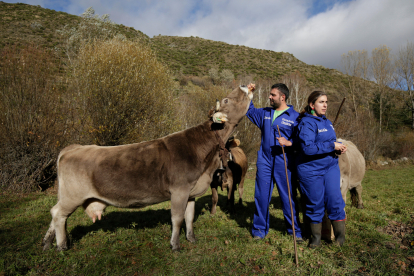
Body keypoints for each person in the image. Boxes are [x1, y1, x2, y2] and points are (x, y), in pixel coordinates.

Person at [246, 83, 303, 241]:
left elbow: (302, 140)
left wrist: (290, 143)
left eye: (273, 95)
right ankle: (259, 230)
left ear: (282, 97)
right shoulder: (265, 113)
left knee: (287, 197)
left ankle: (295, 231)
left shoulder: (296, 117)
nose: (269, 97)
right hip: (264, 160)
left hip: (284, 160)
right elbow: (249, 110)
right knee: (261, 196)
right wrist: (249, 93)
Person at [295, 91, 347, 248]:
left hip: (330, 167)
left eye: (326, 102)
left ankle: (339, 239)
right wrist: (332, 145)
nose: (325, 105)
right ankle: (316, 239)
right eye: (321, 102)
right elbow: (308, 148)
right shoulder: (306, 123)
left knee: (335, 200)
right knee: (315, 203)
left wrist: (337, 147)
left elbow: (327, 142)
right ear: (312, 105)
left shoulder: (327, 122)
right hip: (310, 170)